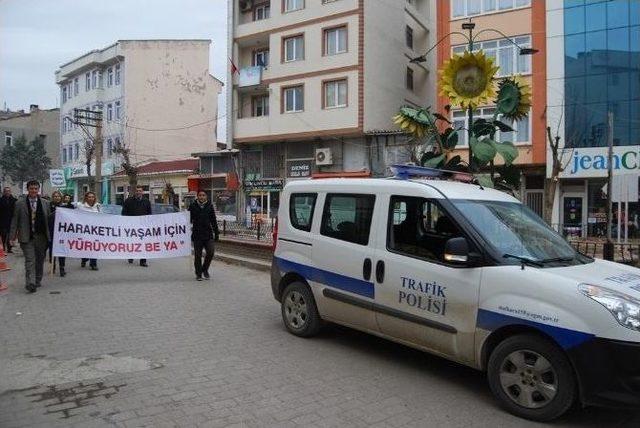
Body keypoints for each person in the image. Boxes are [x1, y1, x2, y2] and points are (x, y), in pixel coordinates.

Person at [9, 180, 50, 293]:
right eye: (31, 188)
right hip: (26, 237)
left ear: (38, 190)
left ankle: (37, 280)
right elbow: (15, 221)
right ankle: (30, 283)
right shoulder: (19, 203)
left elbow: (49, 221)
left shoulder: (45, 203)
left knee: (39, 260)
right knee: (30, 260)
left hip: (41, 237)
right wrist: (12, 237)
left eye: (36, 188)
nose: (34, 190)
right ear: (28, 189)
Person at [188, 190, 219, 281]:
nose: (201, 197)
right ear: (197, 196)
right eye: (200, 195)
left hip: (208, 234)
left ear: (206, 197)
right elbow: (188, 220)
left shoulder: (210, 206)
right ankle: (198, 273)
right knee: (198, 255)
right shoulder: (193, 206)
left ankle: (205, 270)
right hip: (197, 235)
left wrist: (216, 233)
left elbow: (213, 220)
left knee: (210, 252)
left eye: (203, 195)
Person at [122, 185, 152, 267]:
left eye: (140, 191)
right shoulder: (128, 201)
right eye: (137, 191)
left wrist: (148, 224)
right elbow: (124, 213)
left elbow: (149, 214)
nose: (138, 192)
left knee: (143, 243)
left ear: (142, 192)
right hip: (131, 226)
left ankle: (143, 261)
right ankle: (131, 255)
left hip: (143, 226)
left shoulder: (146, 201)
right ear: (134, 192)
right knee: (132, 242)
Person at [49, 190, 75, 277]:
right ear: (53, 197)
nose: (57, 197)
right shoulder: (49, 206)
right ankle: (52, 265)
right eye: (55, 196)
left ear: (61, 198)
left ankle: (62, 268)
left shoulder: (65, 207)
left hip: (62, 232)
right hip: (52, 230)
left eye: (58, 196)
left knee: (61, 250)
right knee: (52, 249)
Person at [77, 191, 101, 271]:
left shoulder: (98, 206)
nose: (91, 198)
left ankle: (93, 264)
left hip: (95, 230)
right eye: (89, 197)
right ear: (86, 198)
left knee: (94, 246)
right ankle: (84, 258)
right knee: (86, 246)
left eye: (92, 197)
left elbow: (101, 216)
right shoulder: (81, 206)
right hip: (84, 230)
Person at [0, 187, 17, 252]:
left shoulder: (14, 200)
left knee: (11, 235)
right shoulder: (1, 200)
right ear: (4, 192)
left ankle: (9, 248)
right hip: (3, 221)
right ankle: (3, 247)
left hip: (11, 221)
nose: (7, 192)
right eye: (6, 191)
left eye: (9, 191)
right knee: (3, 235)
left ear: (10, 192)